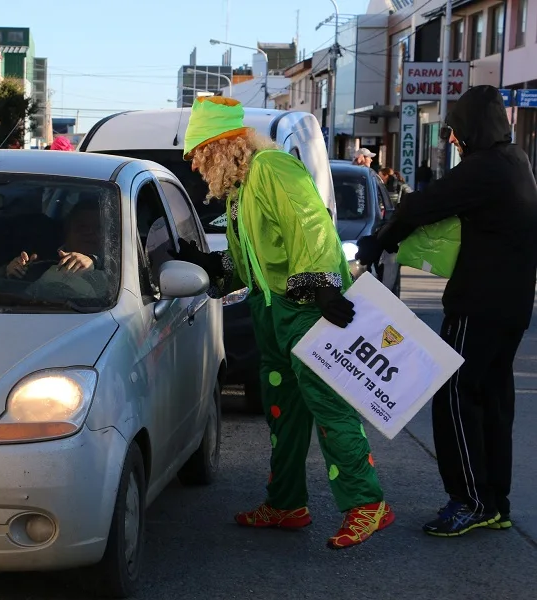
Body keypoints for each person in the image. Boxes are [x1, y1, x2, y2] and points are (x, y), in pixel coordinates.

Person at [171, 96, 393, 549]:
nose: (196, 167)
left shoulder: (272, 168)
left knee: (329, 408)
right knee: (282, 412)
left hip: (305, 307)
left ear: (223, 145)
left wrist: (325, 285)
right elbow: (248, 259)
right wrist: (211, 267)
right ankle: (286, 503)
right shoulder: (240, 190)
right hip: (270, 311)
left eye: (198, 155)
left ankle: (367, 504)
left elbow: (311, 223)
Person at [356, 85, 537, 536]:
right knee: (492, 400)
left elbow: (423, 203)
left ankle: (470, 501)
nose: (453, 140)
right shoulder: (517, 162)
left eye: (455, 131)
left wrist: (380, 240)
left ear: (472, 128)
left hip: (479, 303)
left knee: (455, 396)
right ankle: (495, 502)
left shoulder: (484, 169)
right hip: (513, 305)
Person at [5, 201, 102, 278]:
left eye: (98, 228)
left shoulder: (113, 263)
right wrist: (13, 271)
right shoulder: (40, 256)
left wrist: (93, 262)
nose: (90, 233)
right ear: (67, 230)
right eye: (82, 227)